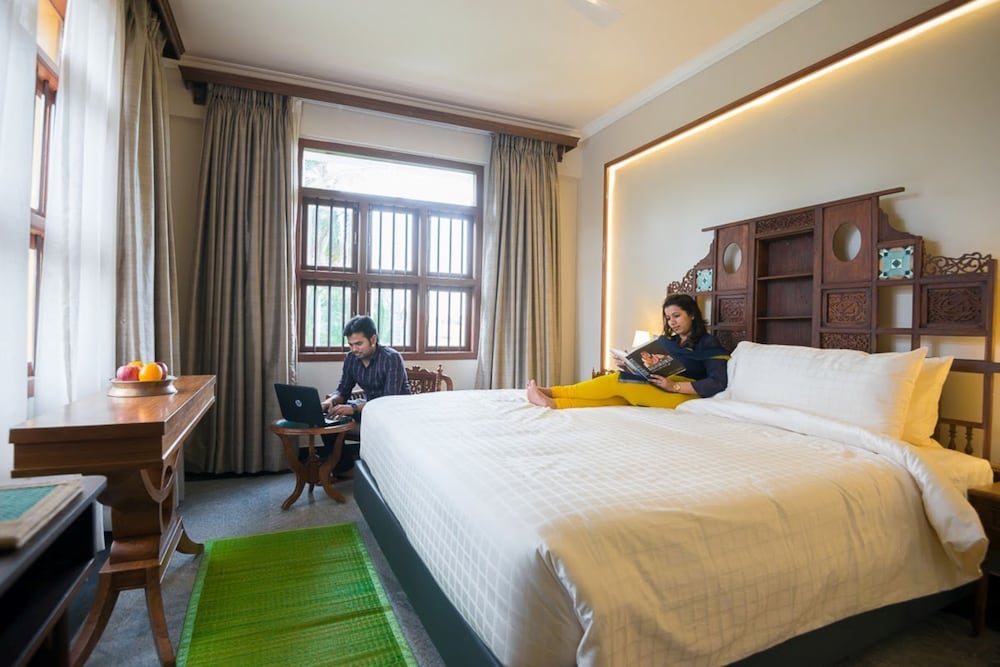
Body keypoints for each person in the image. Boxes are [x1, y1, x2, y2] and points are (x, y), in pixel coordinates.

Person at [527, 294, 729, 409]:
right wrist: (631, 366)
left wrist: (674, 386)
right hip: (660, 388)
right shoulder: (669, 342)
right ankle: (555, 403)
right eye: (668, 318)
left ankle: (554, 391)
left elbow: (718, 382)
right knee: (618, 399)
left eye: (676, 316)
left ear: (692, 314)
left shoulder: (708, 343)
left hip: (684, 396)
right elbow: (657, 370)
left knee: (617, 380)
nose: (672, 322)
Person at [320, 315, 410, 478]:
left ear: (373, 339)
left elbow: (388, 401)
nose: (354, 349)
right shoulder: (351, 359)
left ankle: (376, 470)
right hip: (369, 406)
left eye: (359, 344)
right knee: (328, 418)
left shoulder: (391, 358)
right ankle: (345, 469)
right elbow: (343, 390)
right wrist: (329, 402)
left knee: (354, 412)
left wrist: (353, 408)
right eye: (351, 344)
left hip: (395, 412)